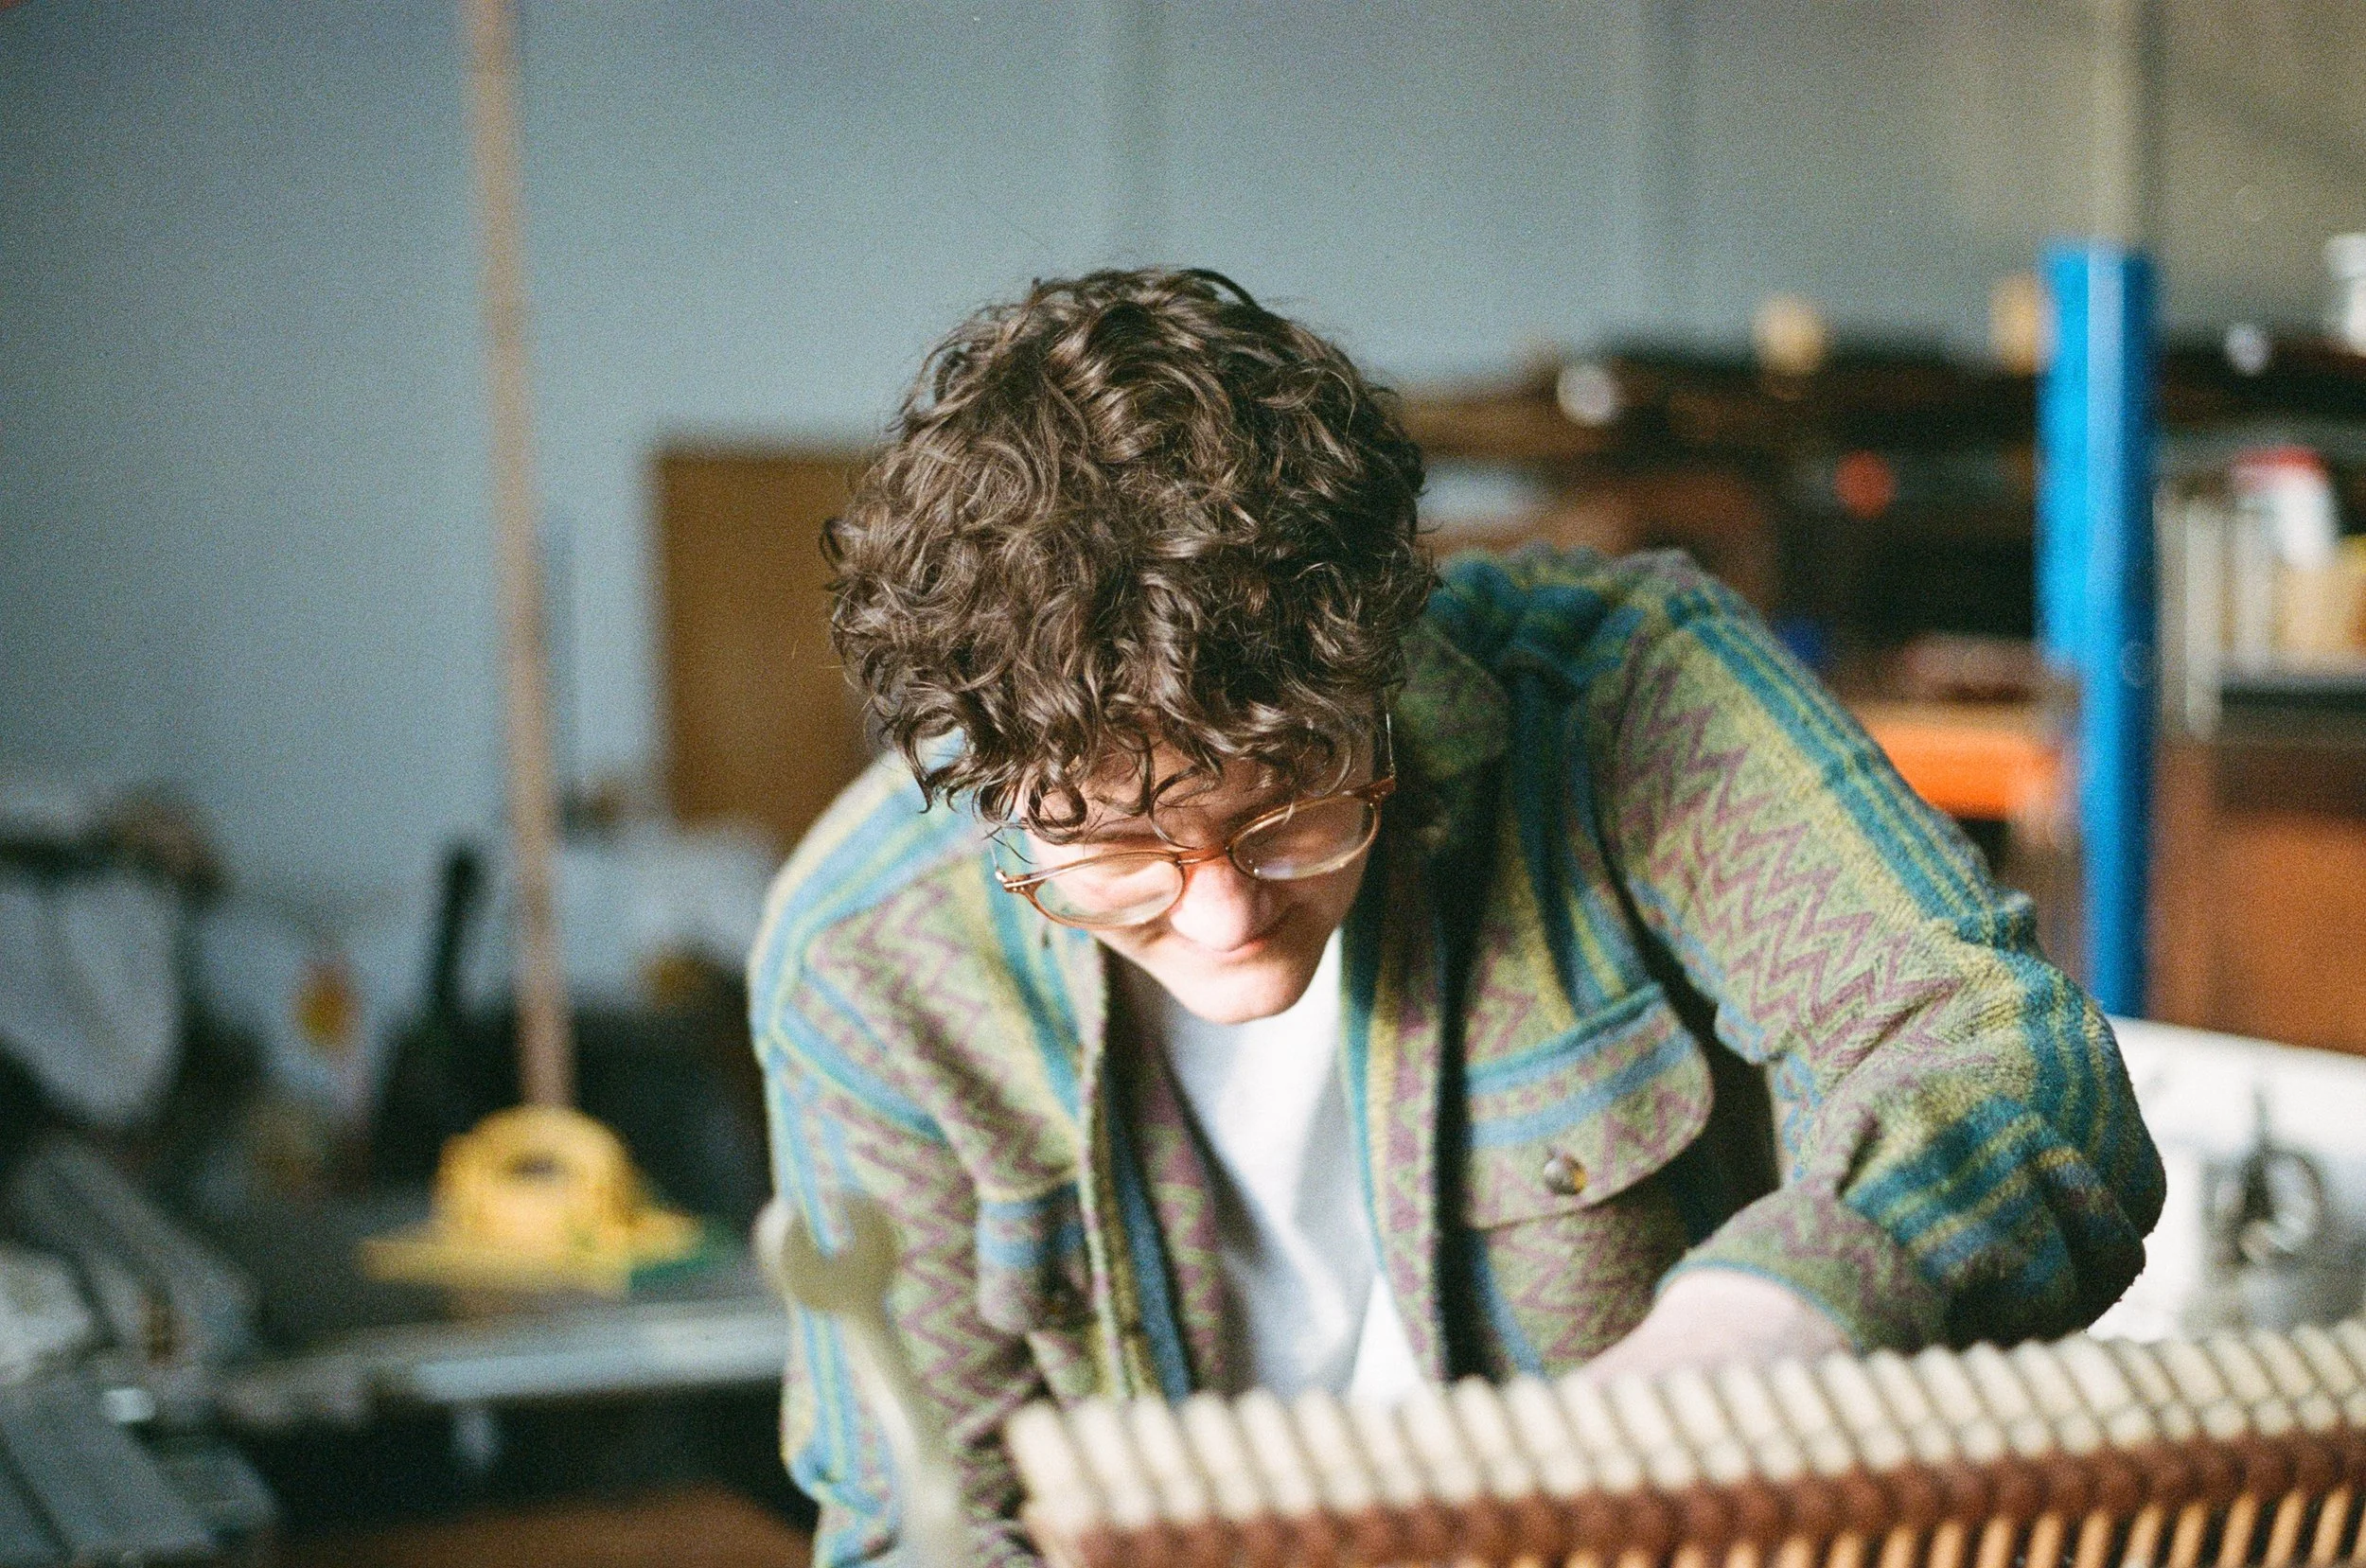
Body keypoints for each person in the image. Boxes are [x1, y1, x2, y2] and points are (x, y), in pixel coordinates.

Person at [750, 268, 2163, 1568]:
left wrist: (1749, 1341)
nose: (1226, 913)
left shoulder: (1627, 689)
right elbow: (923, 1523)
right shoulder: (867, 967)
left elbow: (2010, 1073)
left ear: (1383, 658)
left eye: (1287, 805)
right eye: (1121, 850)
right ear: (991, 784)